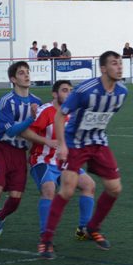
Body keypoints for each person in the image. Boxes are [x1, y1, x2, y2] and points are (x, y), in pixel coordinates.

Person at [37, 51, 128, 260]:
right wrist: (62, 145)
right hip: (75, 142)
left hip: (98, 142)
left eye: (120, 63)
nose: (120, 67)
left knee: (115, 188)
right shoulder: (86, 90)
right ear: (103, 69)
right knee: (67, 190)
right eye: (114, 64)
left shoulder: (122, 92)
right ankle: (46, 240)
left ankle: (92, 228)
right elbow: (61, 115)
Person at [0, 61, 42, 249]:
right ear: (13, 79)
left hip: (20, 154)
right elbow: (11, 131)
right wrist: (31, 118)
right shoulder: (6, 101)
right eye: (21, 73)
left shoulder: (37, 102)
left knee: (15, 199)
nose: (26, 75)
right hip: (0, 149)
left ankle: (1, 216)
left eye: (27, 72)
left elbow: (40, 130)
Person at [28, 80, 96, 239]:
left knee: (89, 185)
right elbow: (26, 132)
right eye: (65, 90)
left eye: (71, 91)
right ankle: (46, 236)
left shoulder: (73, 113)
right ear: (54, 94)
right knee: (49, 189)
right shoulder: (45, 111)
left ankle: (83, 229)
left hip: (65, 162)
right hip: (42, 160)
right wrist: (46, 142)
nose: (69, 94)